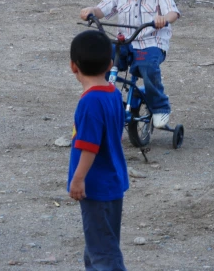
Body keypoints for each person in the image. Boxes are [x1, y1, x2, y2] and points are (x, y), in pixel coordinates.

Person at [80, 0, 180, 128]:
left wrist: (163, 19)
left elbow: (173, 12)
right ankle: (104, 100)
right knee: (100, 60)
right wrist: (92, 11)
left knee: (147, 66)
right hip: (125, 42)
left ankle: (160, 107)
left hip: (151, 42)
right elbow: (104, 8)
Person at [68, 30, 129, 271]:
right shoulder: (113, 93)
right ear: (111, 64)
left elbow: (89, 147)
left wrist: (78, 178)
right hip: (112, 181)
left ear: (73, 66)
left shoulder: (89, 102)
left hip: (95, 186)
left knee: (103, 253)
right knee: (99, 243)